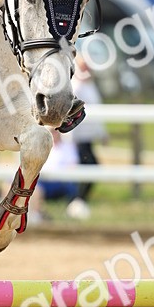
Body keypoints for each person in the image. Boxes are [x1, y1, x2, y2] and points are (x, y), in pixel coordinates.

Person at [65, 55, 107, 220]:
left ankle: (78, 200)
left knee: (90, 167)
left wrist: (102, 134)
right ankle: (77, 200)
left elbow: (97, 113)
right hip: (77, 138)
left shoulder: (89, 85)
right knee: (87, 167)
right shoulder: (76, 86)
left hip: (87, 137)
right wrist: (69, 138)